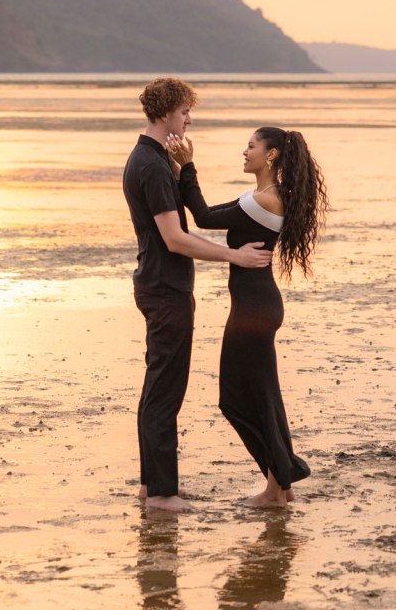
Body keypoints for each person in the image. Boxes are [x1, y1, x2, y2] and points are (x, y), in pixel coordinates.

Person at [123, 78, 274, 514]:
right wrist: (234, 255)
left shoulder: (153, 159)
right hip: (165, 287)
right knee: (165, 390)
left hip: (160, 284)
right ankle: (161, 494)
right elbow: (175, 238)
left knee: (158, 386)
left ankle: (151, 485)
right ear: (166, 112)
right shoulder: (151, 165)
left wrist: (182, 168)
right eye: (185, 112)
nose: (188, 120)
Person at [168, 126, 327, 508]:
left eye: (251, 146)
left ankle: (278, 485)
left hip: (254, 311)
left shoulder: (265, 201)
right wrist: (180, 171)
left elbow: (204, 217)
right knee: (263, 397)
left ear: (270, 155)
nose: (245, 151)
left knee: (239, 399)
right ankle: (281, 485)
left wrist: (187, 167)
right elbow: (207, 212)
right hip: (256, 307)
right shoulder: (262, 197)